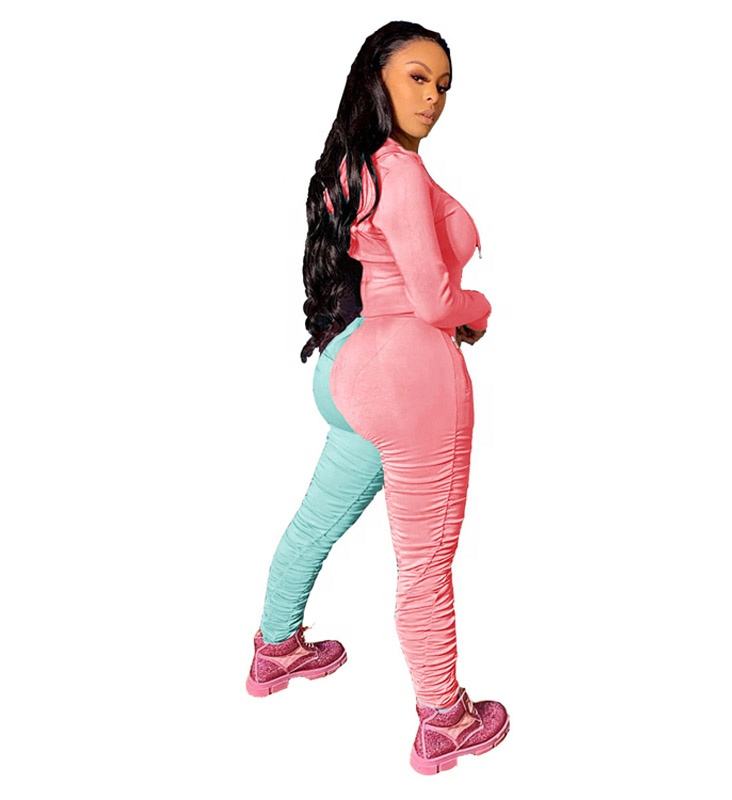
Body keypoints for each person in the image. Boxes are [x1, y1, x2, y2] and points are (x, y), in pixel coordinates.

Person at [245, 21, 510, 775]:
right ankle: (445, 720)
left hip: (349, 367)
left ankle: (274, 649)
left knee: (314, 523)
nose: (433, 97)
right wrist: (481, 309)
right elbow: (434, 300)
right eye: (418, 77)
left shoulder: (347, 162)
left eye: (444, 85)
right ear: (377, 78)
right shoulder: (402, 170)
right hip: (410, 378)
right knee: (424, 562)